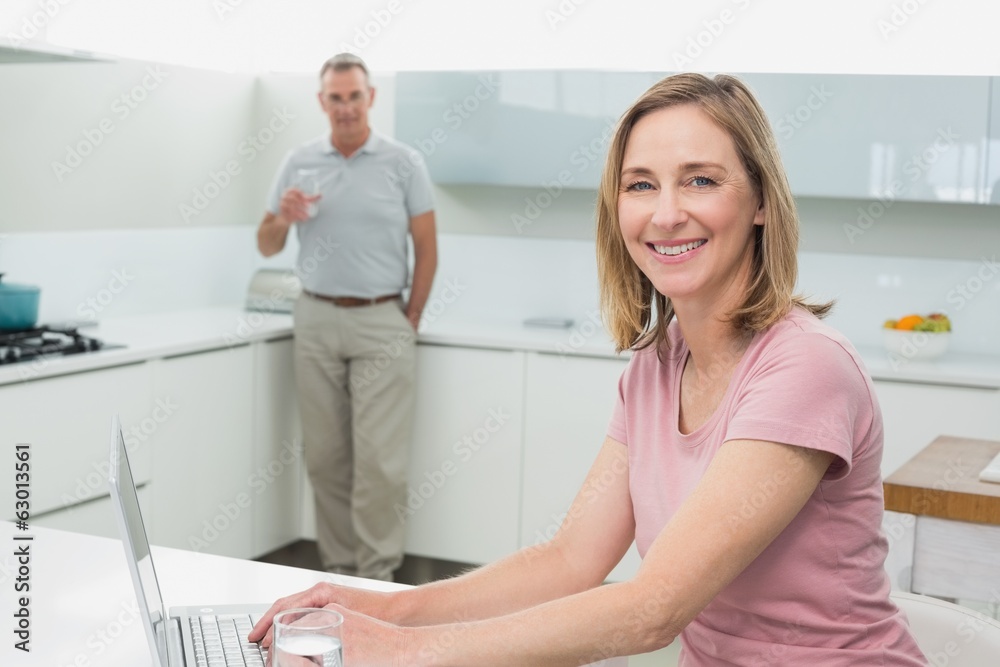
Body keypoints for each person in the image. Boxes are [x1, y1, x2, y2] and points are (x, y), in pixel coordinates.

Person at [249, 73, 928, 665]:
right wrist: (384, 611)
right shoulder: (655, 369)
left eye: (701, 179)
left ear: (759, 203)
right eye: (641, 185)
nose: (666, 213)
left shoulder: (804, 366)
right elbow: (570, 560)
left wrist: (403, 652)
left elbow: (652, 608)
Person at [256, 53, 437, 582]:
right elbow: (266, 244)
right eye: (335, 97)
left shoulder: (404, 162)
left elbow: (427, 248)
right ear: (322, 102)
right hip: (314, 317)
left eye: (354, 95)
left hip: (383, 319)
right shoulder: (299, 161)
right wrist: (282, 218)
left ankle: (375, 581)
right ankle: (336, 575)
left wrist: (411, 318)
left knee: (380, 465)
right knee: (326, 460)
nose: (346, 107)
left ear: (370, 98)